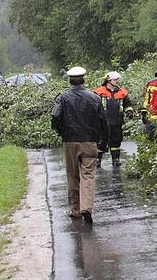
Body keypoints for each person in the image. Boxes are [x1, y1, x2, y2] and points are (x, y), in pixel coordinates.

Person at [51, 66, 109, 224]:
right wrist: (104, 141)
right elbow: (103, 121)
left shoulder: (62, 98)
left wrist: (60, 131)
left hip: (70, 141)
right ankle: (87, 208)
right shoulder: (94, 97)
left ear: (70, 80)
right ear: (84, 79)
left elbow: (55, 117)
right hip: (90, 141)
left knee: (72, 175)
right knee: (88, 175)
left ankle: (75, 209)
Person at [92, 71, 133, 167]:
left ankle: (116, 159)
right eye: (115, 80)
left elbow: (128, 104)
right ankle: (98, 159)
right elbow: (93, 106)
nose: (117, 82)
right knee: (101, 141)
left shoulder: (122, 92)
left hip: (117, 121)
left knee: (116, 140)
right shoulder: (98, 92)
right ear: (109, 80)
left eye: (118, 80)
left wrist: (129, 112)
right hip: (102, 123)